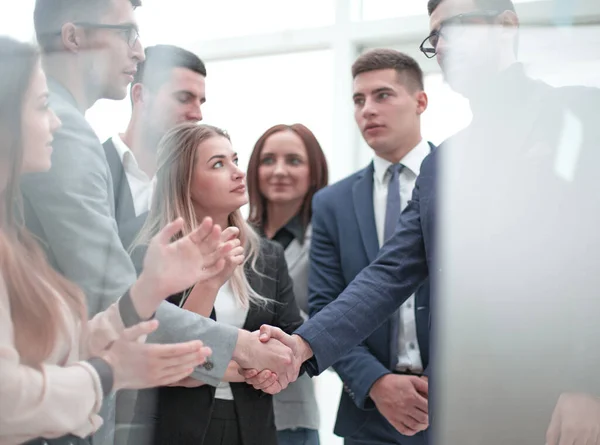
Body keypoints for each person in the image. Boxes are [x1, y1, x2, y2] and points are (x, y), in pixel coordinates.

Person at [244, 0, 600, 443]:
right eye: (435, 37)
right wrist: (302, 346)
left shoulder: (582, 115)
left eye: (457, 28)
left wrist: (587, 383)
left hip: (564, 401)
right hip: (469, 414)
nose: (445, 44)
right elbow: (389, 273)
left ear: (507, 26)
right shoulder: (444, 165)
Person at [23, 1, 298, 441]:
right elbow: (106, 292)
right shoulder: (70, 133)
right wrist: (241, 346)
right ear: (73, 37)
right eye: (125, 34)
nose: (137, 52)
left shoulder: (254, 249)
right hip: (50, 402)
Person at [0, 36, 241, 445]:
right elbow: (10, 396)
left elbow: (58, 345)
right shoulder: (76, 182)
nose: (58, 122)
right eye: (43, 106)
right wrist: (111, 372)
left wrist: (148, 290)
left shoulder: (12, 239)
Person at [130, 123, 305, 445]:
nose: (239, 173)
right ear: (184, 182)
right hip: (175, 429)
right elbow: (167, 356)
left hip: (253, 428)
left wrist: (260, 364)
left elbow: (292, 340)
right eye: (219, 164)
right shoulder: (150, 255)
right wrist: (209, 285)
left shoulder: (268, 255)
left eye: (235, 159)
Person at [308, 49, 433, 445]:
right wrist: (376, 382)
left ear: (420, 101)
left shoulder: (464, 180)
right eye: (358, 100)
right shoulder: (331, 203)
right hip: (370, 415)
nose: (367, 110)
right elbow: (326, 304)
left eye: (382, 95)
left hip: (461, 405)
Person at [247, 123, 328, 445]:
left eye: (293, 160)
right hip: (220, 406)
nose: (279, 171)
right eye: (268, 160)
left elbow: (333, 322)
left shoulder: (325, 244)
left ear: (314, 172)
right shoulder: (234, 237)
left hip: (290, 415)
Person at [103, 44, 207, 250]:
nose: (197, 115)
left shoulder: (191, 183)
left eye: (200, 102)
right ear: (140, 95)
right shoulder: (90, 166)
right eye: (184, 98)